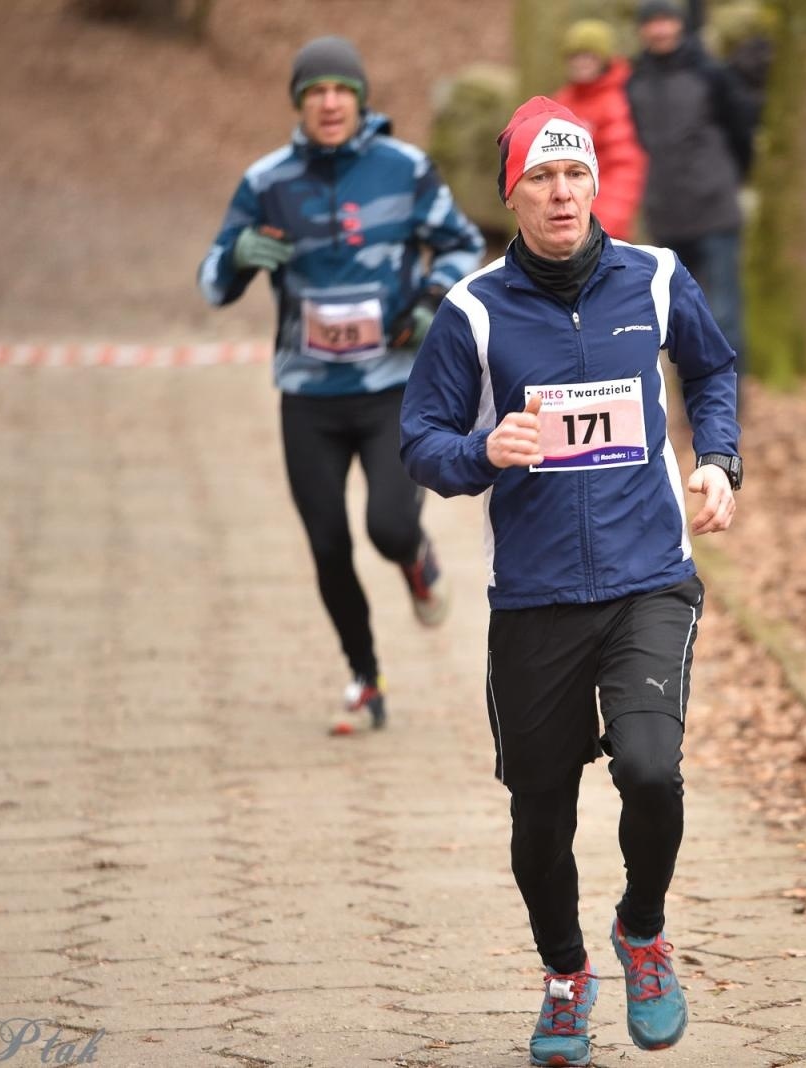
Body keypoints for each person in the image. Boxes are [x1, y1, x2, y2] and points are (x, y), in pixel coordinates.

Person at [399, 97, 742, 1068]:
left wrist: (717, 460)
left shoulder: (659, 279)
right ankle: (563, 973)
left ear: (596, 183)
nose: (561, 193)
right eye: (540, 178)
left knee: (648, 768)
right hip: (537, 598)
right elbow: (420, 439)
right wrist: (482, 448)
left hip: (647, 580)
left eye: (575, 174)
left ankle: (641, 931)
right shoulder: (472, 311)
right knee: (539, 811)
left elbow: (713, 371)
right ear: (511, 193)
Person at [198, 35, 485, 736]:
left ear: (360, 99)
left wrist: (429, 304)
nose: (329, 103)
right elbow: (213, 281)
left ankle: (415, 557)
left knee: (387, 525)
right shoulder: (268, 181)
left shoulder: (405, 168)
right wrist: (237, 257)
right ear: (299, 103)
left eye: (340, 90)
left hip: (393, 386)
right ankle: (365, 679)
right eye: (314, 92)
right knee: (328, 544)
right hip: (309, 393)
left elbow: (462, 243)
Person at [625, 0, 757, 376]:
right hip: (665, 216)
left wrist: (728, 178)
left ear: (679, 26)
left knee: (724, 316)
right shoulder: (635, 82)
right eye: (652, 23)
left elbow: (740, 130)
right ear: (642, 30)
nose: (660, 30)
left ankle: (729, 412)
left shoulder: (710, 73)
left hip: (715, 211)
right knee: (679, 322)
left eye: (667, 21)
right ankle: (692, 408)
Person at [550, 19, 647, 242]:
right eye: (575, 57)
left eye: (589, 57)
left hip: (599, 224)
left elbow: (624, 168)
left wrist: (602, 224)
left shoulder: (616, 101)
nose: (581, 63)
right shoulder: (562, 100)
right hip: (566, 216)